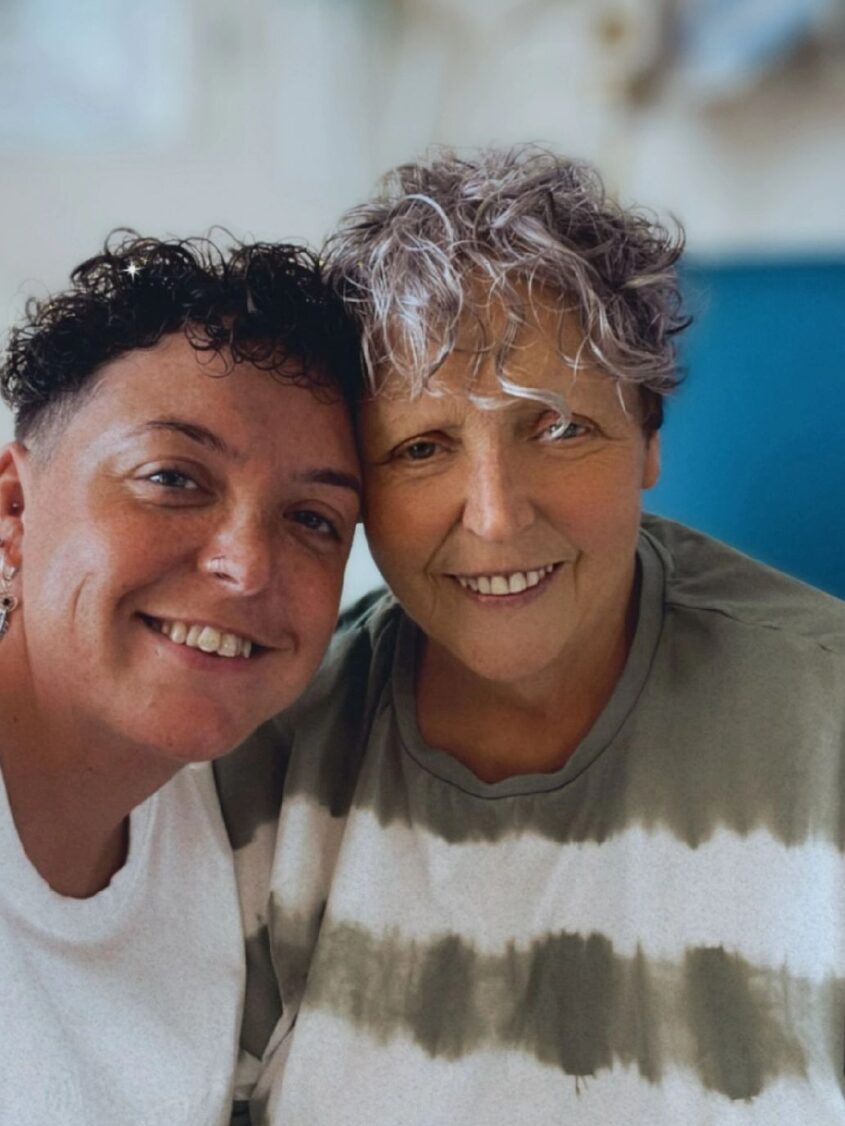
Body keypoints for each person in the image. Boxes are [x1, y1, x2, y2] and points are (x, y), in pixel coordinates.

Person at [218, 148, 845, 1124]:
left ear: (647, 436)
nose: (496, 517)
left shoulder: (826, 725)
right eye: (421, 447)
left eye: (555, 427)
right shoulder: (263, 752)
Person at [0, 233, 362, 1125]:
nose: (246, 565)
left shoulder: (236, 837)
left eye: (313, 519)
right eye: (172, 477)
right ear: (12, 510)